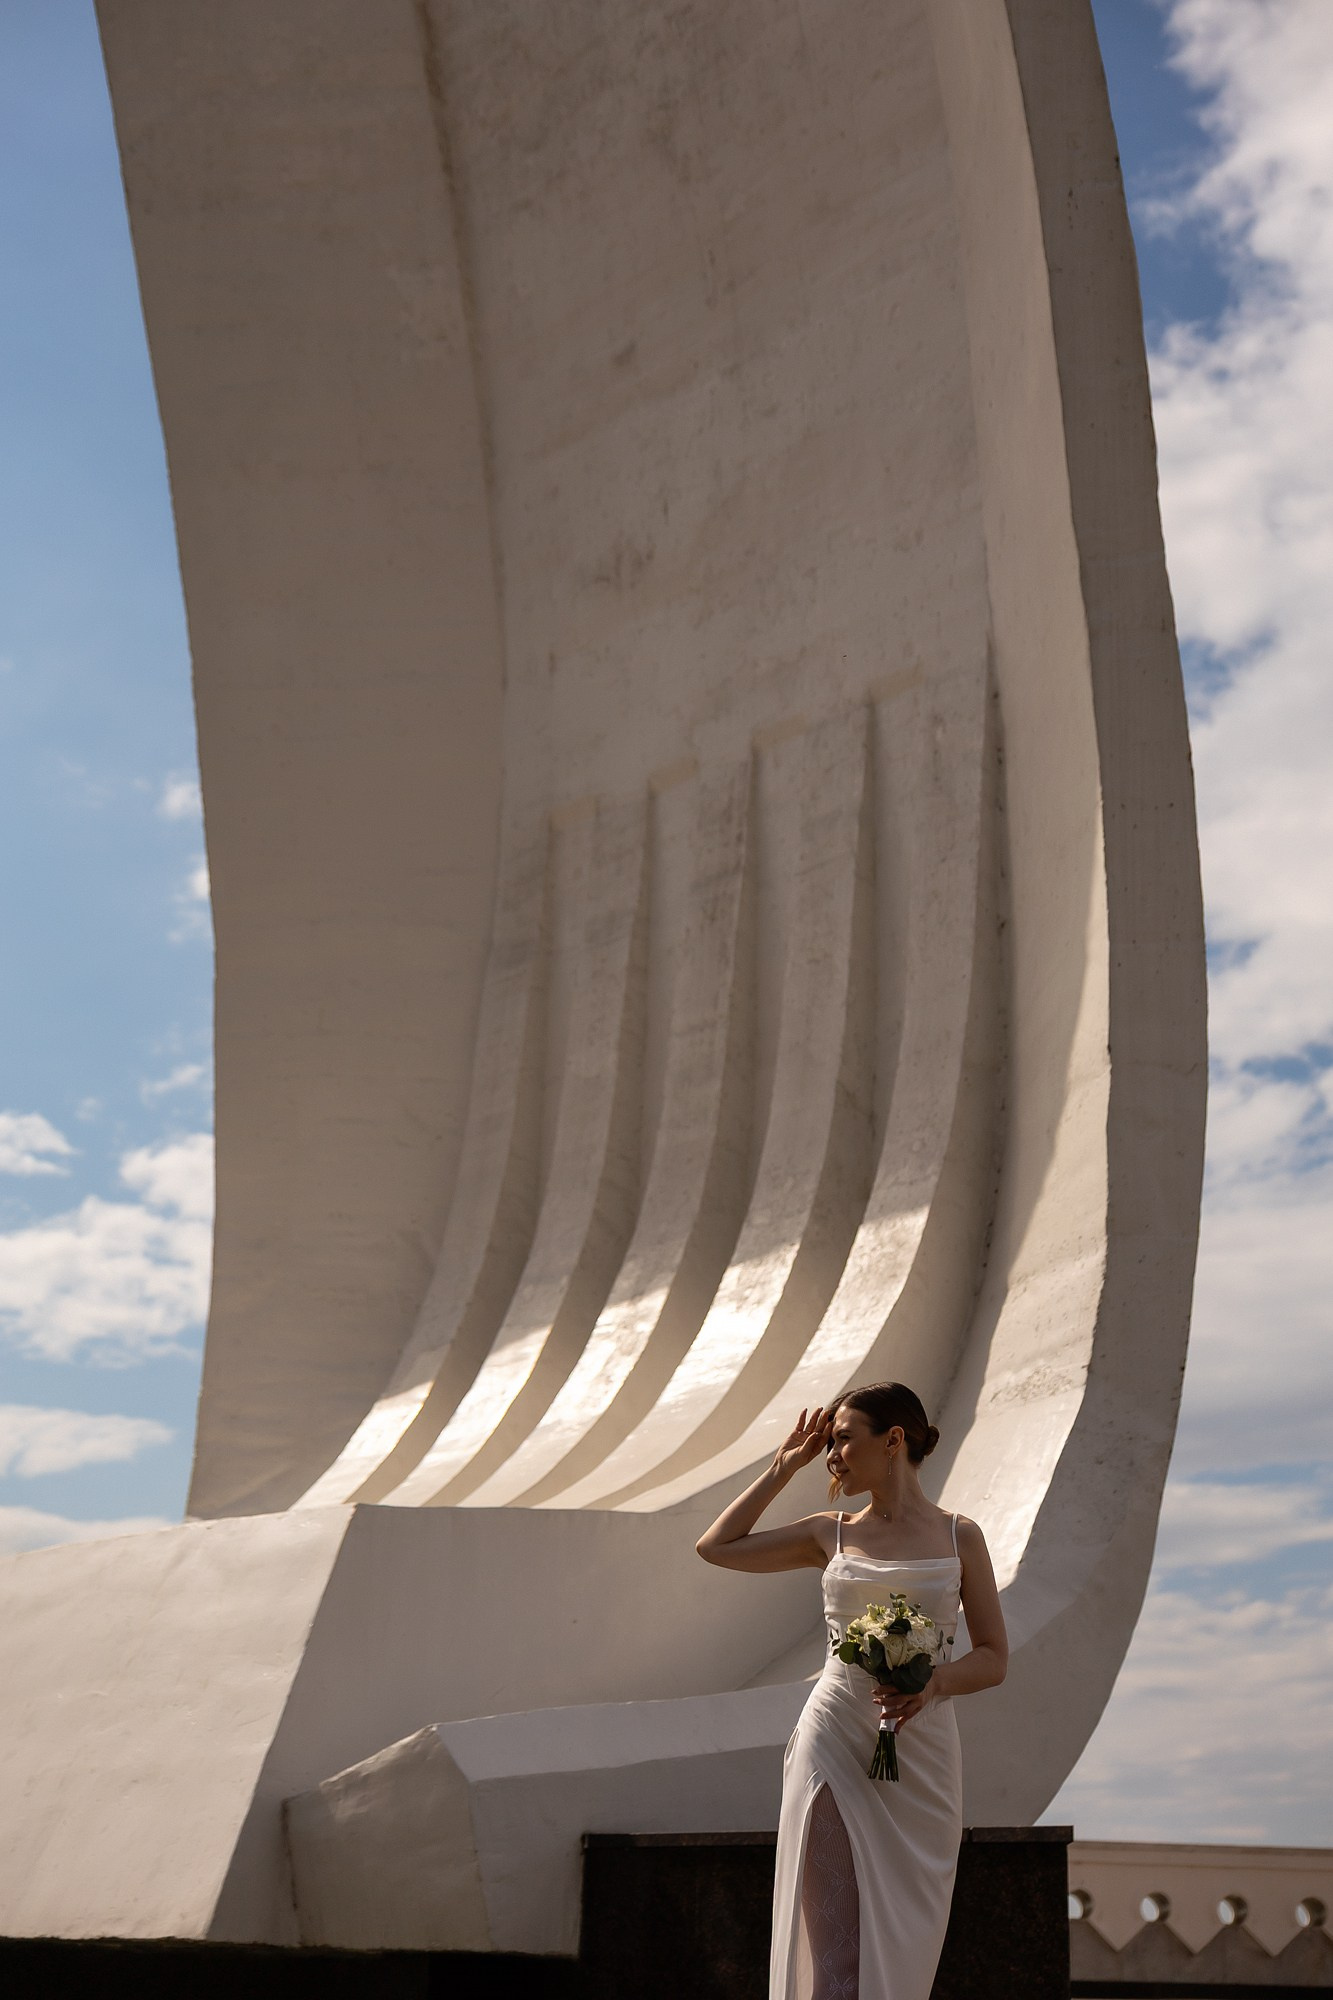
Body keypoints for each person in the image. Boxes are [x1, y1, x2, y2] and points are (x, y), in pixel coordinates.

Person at [696, 1382, 1008, 2000]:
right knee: (835, 1958)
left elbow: (995, 1658)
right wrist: (784, 1467)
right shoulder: (827, 1533)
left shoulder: (959, 1538)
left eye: (842, 1438)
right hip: (834, 1738)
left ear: (893, 1440)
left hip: (920, 1751)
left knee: (902, 1957)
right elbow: (716, 1547)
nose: (832, 1452)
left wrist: (933, 1683)